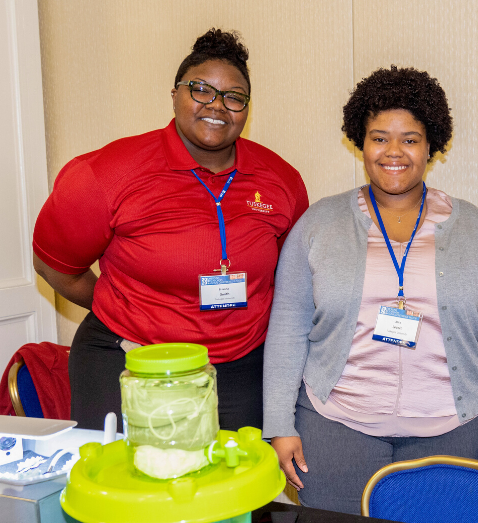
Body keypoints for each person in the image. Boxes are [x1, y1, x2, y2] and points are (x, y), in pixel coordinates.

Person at [263, 66, 478, 514]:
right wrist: (278, 423)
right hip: (335, 428)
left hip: (452, 430)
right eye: (379, 137)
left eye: (410, 139)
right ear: (360, 143)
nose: (393, 152)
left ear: (431, 146)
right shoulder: (319, 225)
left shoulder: (477, 231)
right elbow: (289, 325)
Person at [33, 29, 308, 432]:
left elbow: (288, 276)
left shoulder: (281, 180)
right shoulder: (107, 173)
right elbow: (54, 266)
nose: (217, 105)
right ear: (175, 94)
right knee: (131, 487)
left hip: (241, 368)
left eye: (234, 97)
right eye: (201, 90)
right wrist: (125, 308)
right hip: (131, 359)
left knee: (230, 487)